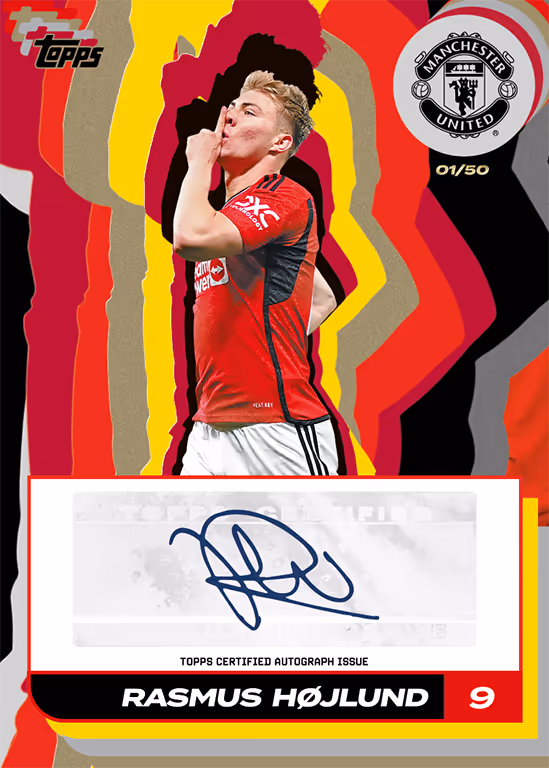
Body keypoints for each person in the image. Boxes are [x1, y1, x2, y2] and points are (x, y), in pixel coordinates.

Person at [173, 70, 338, 476]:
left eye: (250, 112)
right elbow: (321, 296)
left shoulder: (283, 196)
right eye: (231, 107)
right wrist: (266, 337)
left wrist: (199, 162)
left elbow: (189, 238)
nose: (229, 116)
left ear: (280, 142)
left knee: (302, 526)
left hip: (278, 427)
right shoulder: (230, 217)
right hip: (210, 425)